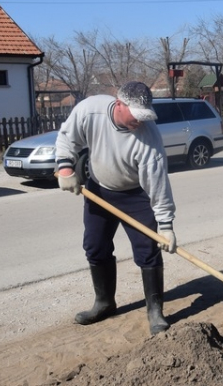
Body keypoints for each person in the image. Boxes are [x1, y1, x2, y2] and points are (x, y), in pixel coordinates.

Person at [55, 81, 177, 336]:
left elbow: (158, 184)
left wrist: (165, 226)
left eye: (144, 117)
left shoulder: (148, 138)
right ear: (119, 104)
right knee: (95, 246)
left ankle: (155, 312)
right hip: (99, 189)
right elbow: (68, 138)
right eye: (136, 116)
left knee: (148, 251)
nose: (140, 122)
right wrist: (65, 167)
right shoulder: (90, 110)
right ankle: (105, 302)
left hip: (136, 195)